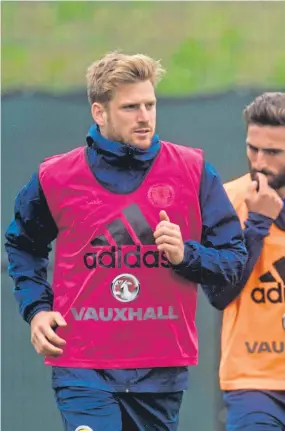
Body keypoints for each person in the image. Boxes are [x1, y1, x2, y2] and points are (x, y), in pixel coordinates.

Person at [5, 52, 247, 431]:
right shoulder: (56, 177)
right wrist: (37, 309)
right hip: (83, 366)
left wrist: (186, 255)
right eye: (131, 107)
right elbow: (23, 245)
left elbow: (234, 260)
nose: (144, 116)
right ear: (99, 113)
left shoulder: (193, 170)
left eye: (150, 105)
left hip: (161, 368)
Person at [209, 93, 285, 430]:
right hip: (253, 381)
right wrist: (257, 225)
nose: (259, 162)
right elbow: (219, 294)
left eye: (272, 152)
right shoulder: (227, 199)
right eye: (252, 148)